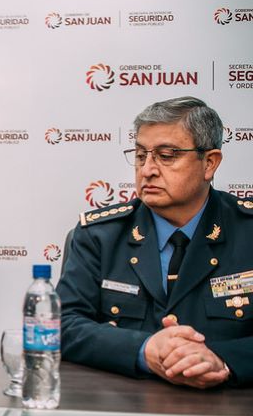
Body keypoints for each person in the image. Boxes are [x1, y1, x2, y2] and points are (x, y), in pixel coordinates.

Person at [59, 96, 252, 388]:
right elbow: (61, 325)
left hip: (230, 407)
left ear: (209, 163)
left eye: (166, 155)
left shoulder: (246, 230)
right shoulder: (101, 235)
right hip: (123, 406)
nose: (147, 169)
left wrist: (223, 360)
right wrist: (144, 350)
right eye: (140, 155)